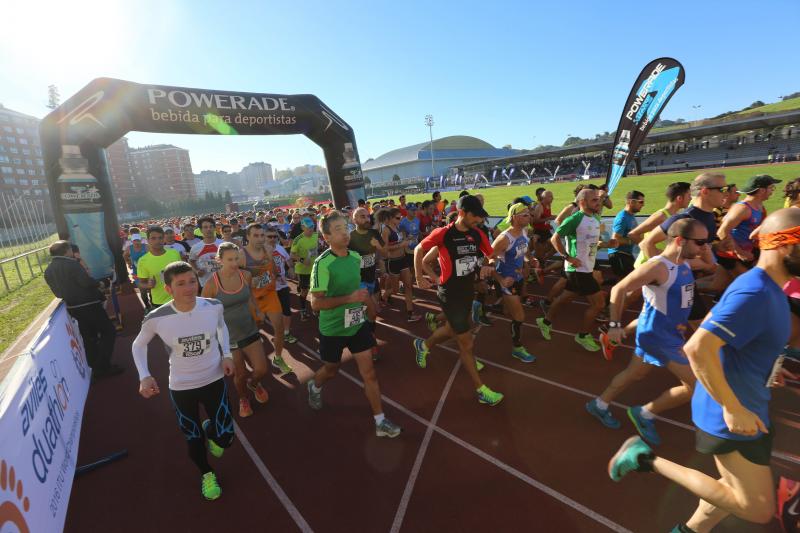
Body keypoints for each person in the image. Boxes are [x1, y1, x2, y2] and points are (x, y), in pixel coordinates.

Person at [608, 208, 800, 532]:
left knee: (722, 499)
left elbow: (738, 344)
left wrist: (769, 368)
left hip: (749, 405)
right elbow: (699, 348)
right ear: (785, 245)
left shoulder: (772, 290)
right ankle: (643, 458)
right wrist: (732, 407)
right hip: (729, 415)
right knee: (756, 509)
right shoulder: (755, 292)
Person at [587, 219, 707, 444]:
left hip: (665, 334)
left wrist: (708, 249)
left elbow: (712, 265)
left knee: (635, 373)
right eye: (701, 242)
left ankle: (599, 404)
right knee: (697, 385)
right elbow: (619, 288)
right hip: (659, 338)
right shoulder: (658, 267)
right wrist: (614, 326)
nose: (704, 247)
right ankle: (644, 413)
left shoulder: (686, 262)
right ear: (680, 241)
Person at [132, 261, 235, 501]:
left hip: (214, 379)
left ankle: (212, 429)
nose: (189, 288)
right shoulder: (156, 317)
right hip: (181, 386)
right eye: (181, 284)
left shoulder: (213, 306)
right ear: (168, 289)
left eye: (192, 281)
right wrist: (144, 376)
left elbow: (222, 328)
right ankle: (206, 473)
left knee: (226, 439)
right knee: (193, 437)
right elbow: (138, 344)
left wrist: (227, 354)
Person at [306, 211, 402, 438]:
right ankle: (315, 386)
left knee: (369, 374)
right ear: (326, 237)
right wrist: (348, 300)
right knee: (331, 369)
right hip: (332, 329)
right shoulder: (322, 264)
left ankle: (380, 421)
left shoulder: (356, 258)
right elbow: (315, 304)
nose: (344, 233)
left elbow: (358, 289)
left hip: (357, 324)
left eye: (345, 227)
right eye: (337, 229)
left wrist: (370, 308)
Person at [413, 195, 504, 406]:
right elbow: (419, 250)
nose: (478, 221)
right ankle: (481, 390)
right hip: (449, 293)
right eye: (475, 217)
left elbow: (491, 255)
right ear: (462, 213)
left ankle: (423, 345)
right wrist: (419, 277)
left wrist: (490, 263)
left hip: (467, 292)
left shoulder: (478, 234)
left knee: (452, 330)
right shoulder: (444, 234)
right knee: (466, 341)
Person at [536, 188, 618, 351]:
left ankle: (544, 321)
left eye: (598, 199)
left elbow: (592, 242)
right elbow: (555, 238)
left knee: (565, 298)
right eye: (594, 200)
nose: (598, 202)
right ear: (582, 202)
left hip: (586, 268)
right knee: (599, 303)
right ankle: (582, 335)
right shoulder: (575, 219)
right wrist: (567, 257)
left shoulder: (594, 218)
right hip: (577, 269)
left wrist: (607, 244)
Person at [202, 242, 270, 418]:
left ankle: (254, 384)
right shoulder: (211, 284)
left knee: (261, 369)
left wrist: (258, 310)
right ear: (219, 260)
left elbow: (250, 296)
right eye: (229, 259)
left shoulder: (245, 275)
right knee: (239, 374)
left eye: (236, 258)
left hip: (249, 329)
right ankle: (243, 399)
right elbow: (204, 311)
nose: (234, 263)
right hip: (228, 337)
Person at [44, 240, 122, 380]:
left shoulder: (48, 270)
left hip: (73, 308)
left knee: (88, 338)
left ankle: (94, 366)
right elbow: (86, 282)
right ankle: (103, 366)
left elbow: (58, 294)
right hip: (89, 304)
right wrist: (100, 283)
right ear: (67, 250)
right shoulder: (72, 264)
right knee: (108, 331)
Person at [240, 224, 293, 375]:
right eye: (255, 235)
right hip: (252, 299)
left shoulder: (269, 250)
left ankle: (278, 357)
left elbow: (273, 268)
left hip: (270, 295)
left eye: (262, 235)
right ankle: (254, 363)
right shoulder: (241, 255)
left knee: (280, 328)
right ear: (248, 237)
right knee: (254, 334)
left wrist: (278, 276)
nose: (260, 239)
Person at [490, 203, 536, 362]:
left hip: (518, 278)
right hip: (507, 281)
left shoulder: (524, 232)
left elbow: (525, 251)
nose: (528, 216)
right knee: (519, 316)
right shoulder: (504, 238)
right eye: (524, 214)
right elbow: (487, 261)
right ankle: (517, 348)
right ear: (514, 217)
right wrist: (501, 280)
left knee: (510, 312)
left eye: (529, 214)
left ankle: (483, 306)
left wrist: (531, 259)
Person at [716, 174, 780, 278]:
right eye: (771, 188)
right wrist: (739, 252)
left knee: (717, 286)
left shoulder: (760, 207)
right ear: (761, 191)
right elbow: (722, 231)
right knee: (754, 282)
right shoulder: (742, 209)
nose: (772, 191)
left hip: (747, 254)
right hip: (731, 256)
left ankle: (694, 285)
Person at [379, 208, 422, 322]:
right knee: (395, 290)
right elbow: (385, 249)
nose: (400, 219)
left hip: (402, 260)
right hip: (393, 262)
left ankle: (410, 313)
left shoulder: (398, 227)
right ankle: (382, 298)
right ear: (391, 218)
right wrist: (402, 244)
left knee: (408, 286)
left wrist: (408, 239)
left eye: (400, 217)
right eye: (398, 218)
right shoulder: (386, 230)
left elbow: (400, 241)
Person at [137, 226, 182, 309]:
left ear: (164, 239)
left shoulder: (174, 253)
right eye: (153, 238)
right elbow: (140, 283)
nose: (157, 241)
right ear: (148, 240)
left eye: (160, 237)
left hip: (179, 297)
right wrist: (148, 285)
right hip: (160, 302)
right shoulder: (143, 261)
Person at [608, 191, 645, 279]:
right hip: (618, 254)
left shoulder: (630, 216)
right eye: (641, 202)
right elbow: (615, 239)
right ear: (631, 202)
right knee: (627, 282)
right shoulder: (623, 218)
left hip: (626, 254)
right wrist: (633, 240)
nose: (643, 205)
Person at [290, 217, 319, 320]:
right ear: (302, 227)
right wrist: (302, 260)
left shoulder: (317, 235)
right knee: (304, 291)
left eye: (312, 227)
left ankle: (316, 309)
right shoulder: (298, 240)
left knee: (317, 290)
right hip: (303, 270)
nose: (311, 229)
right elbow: (292, 255)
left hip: (316, 268)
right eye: (308, 228)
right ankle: (303, 310)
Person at [189, 217, 224, 291]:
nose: (208, 229)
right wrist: (197, 270)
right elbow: (191, 261)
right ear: (201, 230)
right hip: (206, 284)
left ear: (214, 228)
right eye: (205, 227)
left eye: (211, 226)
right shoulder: (195, 247)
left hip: (224, 282)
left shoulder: (223, 244)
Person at [123, 232, 150, 308]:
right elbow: (124, 255)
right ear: (132, 241)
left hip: (148, 270)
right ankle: (147, 306)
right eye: (135, 241)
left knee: (151, 288)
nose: (137, 242)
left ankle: (153, 303)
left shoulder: (146, 247)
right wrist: (128, 262)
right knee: (142, 290)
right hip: (137, 272)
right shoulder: (129, 248)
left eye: (138, 240)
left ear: (141, 240)